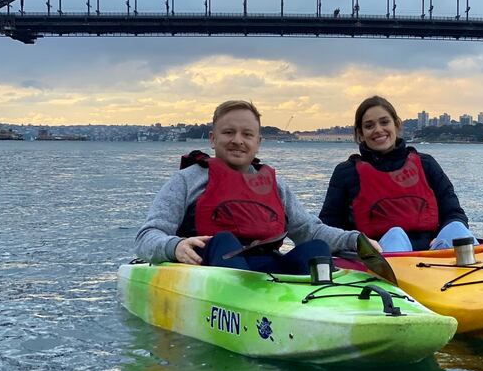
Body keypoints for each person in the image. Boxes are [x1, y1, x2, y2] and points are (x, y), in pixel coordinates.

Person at [135, 100, 379, 274]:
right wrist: (174, 246)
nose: (238, 140)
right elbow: (147, 237)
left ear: (258, 143)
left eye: (247, 134)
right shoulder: (188, 180)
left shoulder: (275, 185)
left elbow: (310, 231)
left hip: (264, 273)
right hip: (210, 275)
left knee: (316, 249)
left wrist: (355, 240)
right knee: (225, 242)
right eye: (228, 132)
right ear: (212, 139)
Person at [319, 95, 477, 253]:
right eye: (369, 126)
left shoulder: (426, 164)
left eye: (384, 122)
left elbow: (453, 212)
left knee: (457, 228)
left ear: (396, 125)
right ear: (360, 133)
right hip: (381, 255)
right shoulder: (347, 173)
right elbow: (329, 227)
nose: (378, 130)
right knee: (396, 235)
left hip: (433, 253)